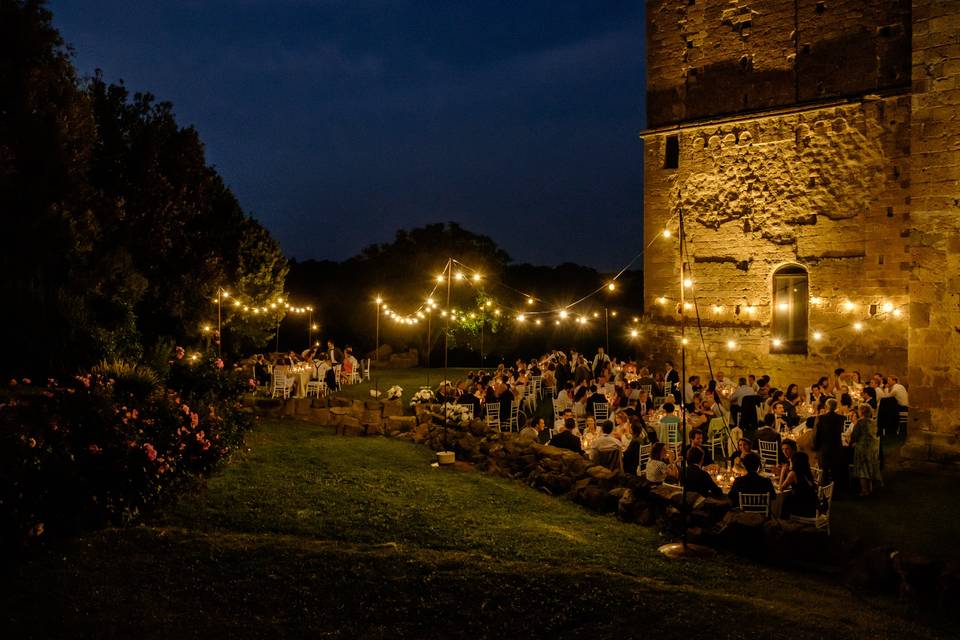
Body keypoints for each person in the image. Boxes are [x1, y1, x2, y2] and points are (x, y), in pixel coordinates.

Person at [813, 398, 846, 490]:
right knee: (836, 471)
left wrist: (815, 448)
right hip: (836, 447)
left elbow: (817, 435)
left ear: (826, 406)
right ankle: (836, 491)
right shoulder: (841, 418)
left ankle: (824, 492)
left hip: (824, 448)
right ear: (836, 407)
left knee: (824, 471)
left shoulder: (821, 418)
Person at [850, 404, 882, 497]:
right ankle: (870, 488)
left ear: (861, 412)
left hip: (862, 447)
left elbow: (855, 435)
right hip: (872, 447)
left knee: (862, 470)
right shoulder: (873, 422)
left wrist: (852, 442)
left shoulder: (860, 422)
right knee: (869, 467)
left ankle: (864, 490)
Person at [779, 451, 818, 519]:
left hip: (802, 508)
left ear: (795, 462)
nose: (790, 462)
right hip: (812, 506)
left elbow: (780, 488)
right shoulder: (807, 472)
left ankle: (784, 522)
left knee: (785, 501)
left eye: (791, 461)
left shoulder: (793, 473)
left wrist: (782, 472)